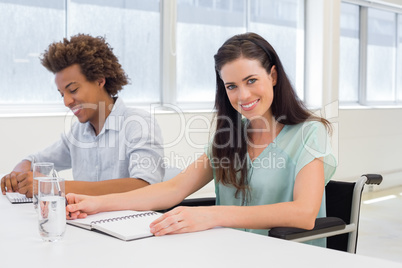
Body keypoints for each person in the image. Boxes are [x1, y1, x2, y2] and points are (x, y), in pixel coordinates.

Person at [65, 32, 336, 247]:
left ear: (273, 76)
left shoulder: (309, 133)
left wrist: (212, 216)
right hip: (229, 252)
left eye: (251, 80)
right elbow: (173, 189)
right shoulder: (229, 136)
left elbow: (303, 213)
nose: (242, 95)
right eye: (231, 86)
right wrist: (97, 203)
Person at [1, 34, 164, 197]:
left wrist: (54, 186)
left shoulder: (138, 124)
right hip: (85, 221)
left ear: (100, 81)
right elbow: (33, 160)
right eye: (62, 94)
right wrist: (18, 173)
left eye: (73, 90)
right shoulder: (78, 133)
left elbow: (145, 186)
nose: (66, 101)